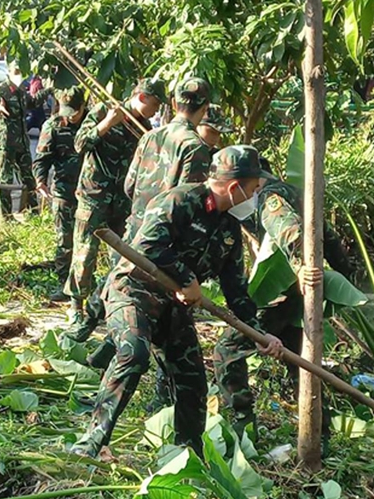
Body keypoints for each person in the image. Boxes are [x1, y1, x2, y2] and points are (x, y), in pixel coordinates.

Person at [69, 145, 284, 459]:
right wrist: (185, 278)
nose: (255, 196)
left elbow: (236, 292)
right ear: (236, 187)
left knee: (193, 382)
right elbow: (147, 246)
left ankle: (188, 456)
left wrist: (260, 335)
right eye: (254, 189)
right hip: (133, 292)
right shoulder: (179, 201)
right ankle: (91, 442)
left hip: (174, 309)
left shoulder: (228, 230)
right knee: (134, 353)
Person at [63, 78, 215, 361]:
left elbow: (130, 185)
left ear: (172, 104)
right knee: (136, 287)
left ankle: (97, 336)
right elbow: (186, 202)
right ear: (204, 108)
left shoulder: (149, 135)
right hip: (157, 228)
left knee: (121, 277)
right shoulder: (194, 148)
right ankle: (89, 321)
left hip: (135, 219)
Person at [213, 163, 353, 437]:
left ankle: (242, 422)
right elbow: (330, 238)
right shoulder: (294, 192)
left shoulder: (270, 198)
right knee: (297, 356)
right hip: (296, 290)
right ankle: (319, 430)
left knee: (228, 349)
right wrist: (344, 275)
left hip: (282, 290)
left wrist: (301, 266)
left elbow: (289, 230)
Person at [63, 78, 165, 317]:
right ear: (141, 97)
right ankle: (76, 305)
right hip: (94, 194)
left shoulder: (145, 128)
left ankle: (110, 302)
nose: (157, 110)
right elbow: (79, 143)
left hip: (122, 200)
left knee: (122, 255)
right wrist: (107, 123)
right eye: (155, 104)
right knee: (85, 252)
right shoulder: (103, 111)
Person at [32, 87, 87, 301]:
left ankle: (87, 285)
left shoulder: (93, 124)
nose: (70, 116)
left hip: (91, 192)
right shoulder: (53, 126)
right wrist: (40, 181)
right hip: (64, 191)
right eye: (67, 111)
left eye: (74, 111)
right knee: (65, 240)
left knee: (87, 242)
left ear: (83, 106)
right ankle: (65, 284)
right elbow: (41, 159)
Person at [0, 63, 51, 214]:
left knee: (29, 178)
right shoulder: (1, 90)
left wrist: (49, 89)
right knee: (5, 181)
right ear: (9, 72)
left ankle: (33, 211)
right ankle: (6, 216)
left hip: (22, 143)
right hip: (6, 144)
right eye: (16, 71)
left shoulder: (21, 91)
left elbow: (32, 101)